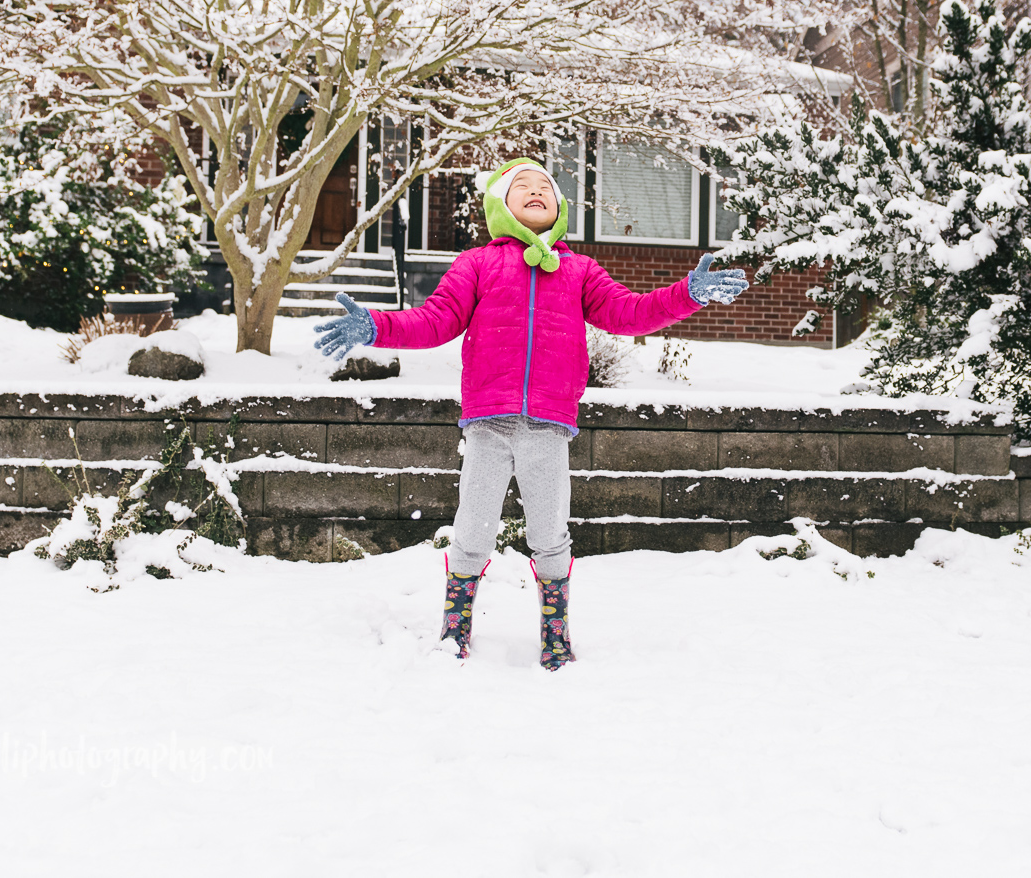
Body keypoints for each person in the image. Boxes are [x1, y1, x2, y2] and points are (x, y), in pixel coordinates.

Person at [312, 157, 748, 669]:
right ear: (501, 203)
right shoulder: (478, 263)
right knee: (473, 527)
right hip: (488, 421)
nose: (538, 189)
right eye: (523, 184)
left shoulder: (579, 269)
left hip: (548, 424)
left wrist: (687, 295)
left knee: (549, 531)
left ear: (559, 207)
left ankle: (555, 632)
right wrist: (378, 327)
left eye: (546, 185)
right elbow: (434, 320)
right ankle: (455, 627)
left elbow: (628, 314)